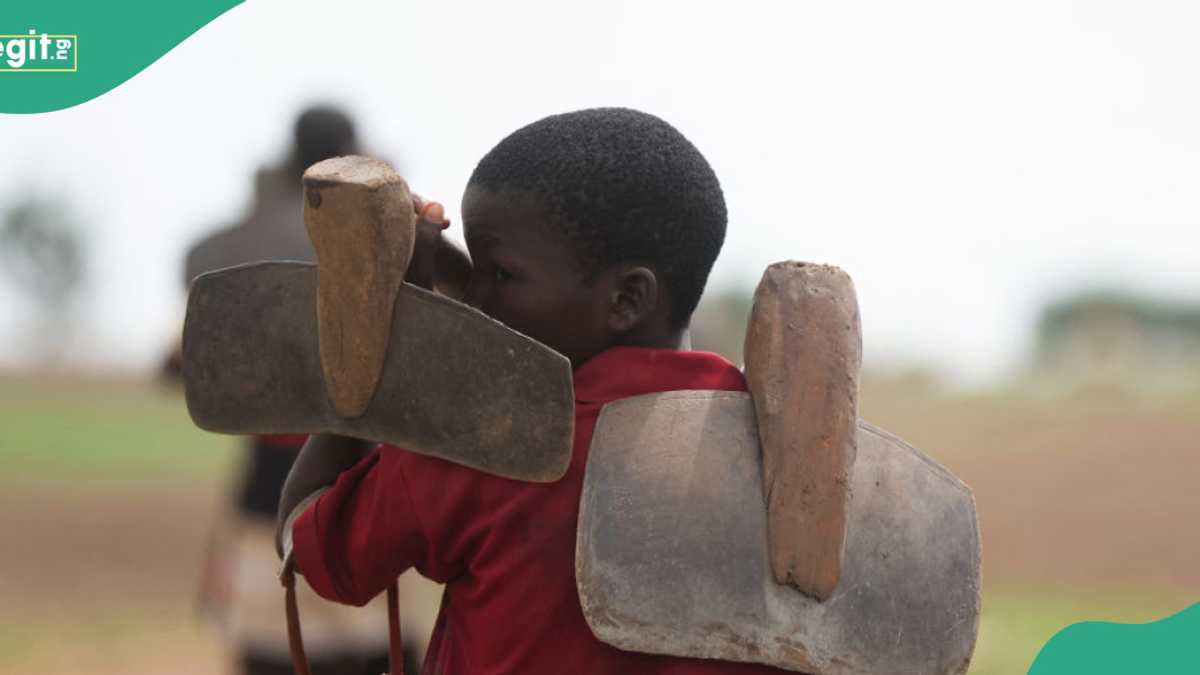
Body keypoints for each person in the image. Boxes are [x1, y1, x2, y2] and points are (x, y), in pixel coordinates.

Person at [277, 107, 788, 674]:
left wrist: (390, 334)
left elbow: (308, 545)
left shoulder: (492, 442)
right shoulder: (773, 448)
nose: (473, 301)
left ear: (626, 300)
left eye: (500, 275)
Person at [176, 105, 424, 675]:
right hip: (362, 463)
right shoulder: (383, 233)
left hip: (269, 473)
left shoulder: (230, 243)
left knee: (269, 643)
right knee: (375, 646)